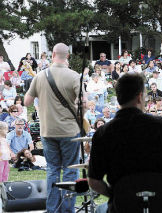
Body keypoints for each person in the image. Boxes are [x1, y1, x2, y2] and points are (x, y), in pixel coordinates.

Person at [88, 73, 162, 212]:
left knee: (100, 209)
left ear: (119, 98)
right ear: (139, 97)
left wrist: (114, 194)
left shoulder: (102, 133)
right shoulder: (161, 125)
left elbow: (94, 182)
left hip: (124, 207)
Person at [24, 43, 81, 213]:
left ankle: (52, 210)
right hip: (70, 131)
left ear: (53, 54)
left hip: (48, 131)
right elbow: (83, 102)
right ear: (67, 56)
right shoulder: (74, 76)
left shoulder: (40, 76)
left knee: (53, 170)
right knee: (70, 171)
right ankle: (68, 210)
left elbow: (26, 102)